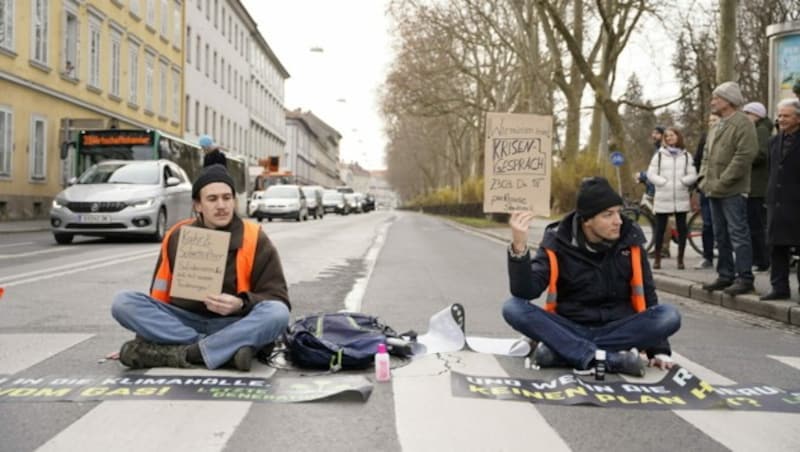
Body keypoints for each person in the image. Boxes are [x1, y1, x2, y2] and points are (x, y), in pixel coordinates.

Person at [111, 164, 290, 371]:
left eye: (227, 198)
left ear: (234, 200)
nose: (221, 205)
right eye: (212, 199)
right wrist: (147, 333)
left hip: (234, 323)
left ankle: (188, 353)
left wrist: (240, 303)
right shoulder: (177, 235)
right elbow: (159, 294)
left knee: (277, 313)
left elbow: (278, 298)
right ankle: (221, 350)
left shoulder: (255, 237)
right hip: (183, 324)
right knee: (123, 302)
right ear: (198, 205)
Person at [502, 177, 681, 377]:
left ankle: (564, 353)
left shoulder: (630, 239)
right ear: (586, 220)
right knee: (513, 308)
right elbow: (525, 291)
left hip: (618, 329)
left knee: (669, 315)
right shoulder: (557, 240)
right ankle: (608, 358)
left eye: (618, 213)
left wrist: (659, 350)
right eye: (608, 215)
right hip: (570, 326)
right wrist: (519, 246)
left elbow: (648, 295)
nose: (618, 221)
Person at [699, 81, 758, 296]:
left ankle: (745, 278)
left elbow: (744, 157)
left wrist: (722, 181)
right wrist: (703, 179)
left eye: (716, 98)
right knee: (720, 234)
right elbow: (706, 154)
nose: (713, 102)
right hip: (713, 189)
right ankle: (725, 275)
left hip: (732, 190)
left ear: (729, 100)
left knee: (738, 233)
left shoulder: (744, 123)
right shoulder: (716, 125)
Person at [761, 99, 800, 301]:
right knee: (776, 246)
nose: (781, 119)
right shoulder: (774, 142)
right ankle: (779, 287)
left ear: (798, 118)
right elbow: (772, 170)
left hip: (796, 202)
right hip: (776, 201)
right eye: (780, 115)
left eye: (786, 116)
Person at [646, 127, 698, 270]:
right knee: (660, 229)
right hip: (663, 196)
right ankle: (657, 259)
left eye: (672, 135)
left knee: (682, 229)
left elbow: (693, 174)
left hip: (681, 196)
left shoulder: (687, 155)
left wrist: (683, 182)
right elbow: (651, 173)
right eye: (667, 136)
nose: (669, 138)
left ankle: (680, 260)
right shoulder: (660, 155)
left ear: (678, 136)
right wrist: (663, 183)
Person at [742, 102, 772, 272]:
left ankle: (762, 260)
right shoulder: (758, 129)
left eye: (747, 113)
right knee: (754, 224)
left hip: (757, 187)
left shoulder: (761, 130)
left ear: (756, 115)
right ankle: (759, 258)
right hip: (754, 185)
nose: (745, 117)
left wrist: (743, 158)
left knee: (756, 225)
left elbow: (760, 153)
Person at [636, 126, 673, 258]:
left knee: (662, 217)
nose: (653, 135)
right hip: (655, 188)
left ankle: (664, 248)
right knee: (657, 216)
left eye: (657, 133)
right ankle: (661, 245)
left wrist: (643, 175)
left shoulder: (665, 150)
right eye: (653, 133)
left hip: (662, 189)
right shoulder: (657, 150)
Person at [692, 113, 720, 269]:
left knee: (722, 224)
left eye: (714, 120)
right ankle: (707, 256)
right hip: (705, 187)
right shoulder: (705, 138)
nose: (711, 123)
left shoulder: (726, 138)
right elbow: (697, 160)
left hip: (721, 186)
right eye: (710, 121)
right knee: (707, 224)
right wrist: (699, 182)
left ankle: (725, 258)